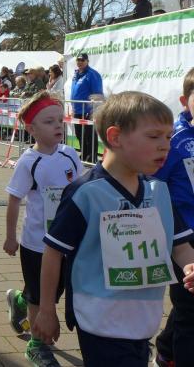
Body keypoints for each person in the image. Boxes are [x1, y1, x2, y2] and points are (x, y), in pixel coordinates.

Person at [33, 92, 194, 366]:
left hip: (144, 320)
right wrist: (47, 310)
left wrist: (190, 265)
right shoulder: (86, 193)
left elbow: (180, 246)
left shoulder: (159, 191)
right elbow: (53, 252)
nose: (165, 146)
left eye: (168, 137)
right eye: (154, 136)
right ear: (115, 137)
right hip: (99, 320)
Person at [2, 92, 82, 367]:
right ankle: (37, 346)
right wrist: (10, 236)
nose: (58, 125)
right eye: (49, 121)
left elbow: (82, 192)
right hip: (37, 243)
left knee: (53, 291)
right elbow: (14, 199)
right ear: (31, 128)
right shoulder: (28, 162)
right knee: (40, 296)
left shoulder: (70, 154)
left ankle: (19, 300)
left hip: (67, 242)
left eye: (60, 120)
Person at [154, 68, 194, 367]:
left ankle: (166, 349)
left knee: (187, 308)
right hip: (183, 238)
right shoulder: (174, 141)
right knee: (190, 308)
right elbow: (149, 187)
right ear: (185, 101)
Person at [70, 52, 103, 163]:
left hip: (88, 110)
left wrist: (94, 110)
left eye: (82, 60)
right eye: (78, 60)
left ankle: (92, 157)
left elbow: (97, 93)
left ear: (87, 61)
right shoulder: (76, 74)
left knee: (90, 135)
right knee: (79, 134)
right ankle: (84, 155)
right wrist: (73, 108)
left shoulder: (92, 74)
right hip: (77, 110)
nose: (80, 62)